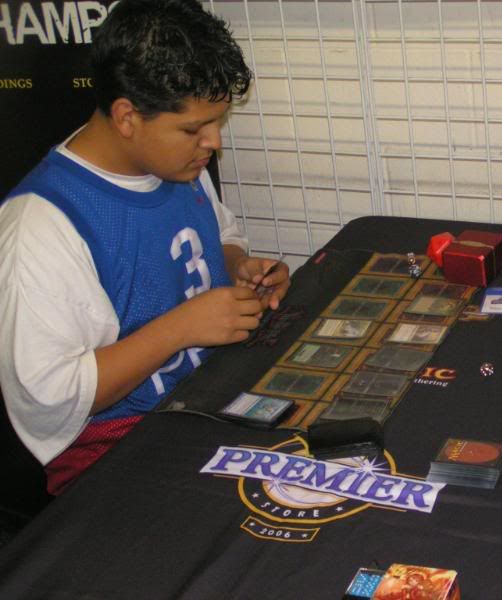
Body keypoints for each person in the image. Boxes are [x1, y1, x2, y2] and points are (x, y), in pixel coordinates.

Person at [0, 0, 290, 496]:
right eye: (193, 128)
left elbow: (219, 236)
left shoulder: (176, 163)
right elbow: (50, 397)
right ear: (127, 117)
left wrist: (239, 267)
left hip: (210, 397)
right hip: (117, 449)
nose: (213, 143)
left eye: (216, 121)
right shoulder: (40, 229)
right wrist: (180, 329)